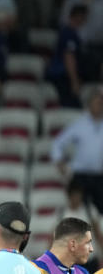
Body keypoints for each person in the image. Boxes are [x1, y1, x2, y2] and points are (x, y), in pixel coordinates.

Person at [52, 85, 103, 214]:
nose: (100, 105)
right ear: (89, 103)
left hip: (100, 176)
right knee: (80, 212)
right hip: (80, 176)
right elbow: (58, 143)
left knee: (101, 212)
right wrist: (59, 161)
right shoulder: (79, 124)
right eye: (97, 102)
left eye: (101, 102)